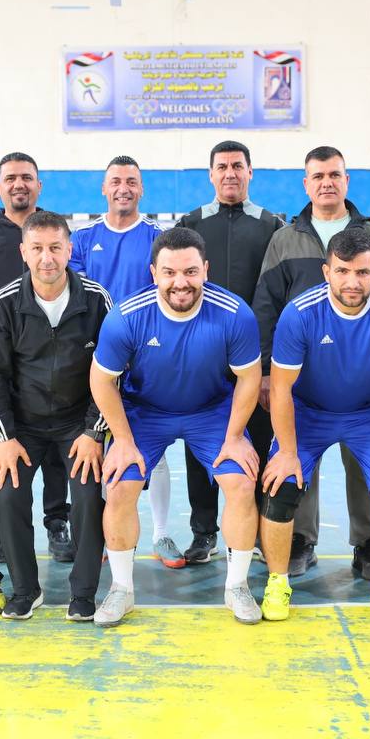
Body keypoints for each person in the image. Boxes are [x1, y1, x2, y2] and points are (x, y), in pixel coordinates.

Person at [89, 227, 263, 627]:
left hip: (211, 412)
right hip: (146, 413)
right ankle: (121, 589)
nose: (180, 282)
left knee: (241, 483)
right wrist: (123, 441)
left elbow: (249, 377)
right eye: (169, 272)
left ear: (205, 270)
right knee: (119, 487)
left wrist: (235, 436)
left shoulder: (234, 313)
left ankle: (237, 587)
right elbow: (101, 380)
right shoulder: (127, 317)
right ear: (154, 273)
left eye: (190, 271)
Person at [253, 145, 370, 580]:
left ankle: (367, 542)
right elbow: (266, 304)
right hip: (304, 378)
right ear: (306, 184)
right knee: (297, 460)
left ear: (346, 181)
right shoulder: (285, 238)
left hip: (366, 379)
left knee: (368, 465)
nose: (327, 182)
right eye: (318, 176)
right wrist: (265, 371)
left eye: (335, 175)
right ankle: (301, 538)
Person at [260, 229, 370, 622]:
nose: (353, 282)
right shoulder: (299, 313)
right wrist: (286, 452)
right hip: (309, 412)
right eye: (343, 271)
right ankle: (277, 583)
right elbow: (280, 389)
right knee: (280, 485)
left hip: (369, 415)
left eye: (362, 272)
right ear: (326, 272)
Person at [0, 211, 111, 620]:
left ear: (69, 250)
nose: (46, 258)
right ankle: (25, 590)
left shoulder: (96, 300)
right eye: (37, 248)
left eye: (55, 247)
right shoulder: (3, 304)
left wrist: (94, 431)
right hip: (23, 427)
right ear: (23, 252)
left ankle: (84, 593)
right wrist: (4, 438)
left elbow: (112, 372)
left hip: (78, 425)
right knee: (9, 496)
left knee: (88, 498)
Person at [177, 139, 285, 565]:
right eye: (221, 167)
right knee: (199, 445)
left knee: (254, 441)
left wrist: (267, 364)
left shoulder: (271, 225)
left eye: (237, 166)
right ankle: (203, 532)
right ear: (211, 174)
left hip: (252, 359)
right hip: (201, 358)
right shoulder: (192, 223)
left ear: (250, 172)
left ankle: (252, 533)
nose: (230, 174)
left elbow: (275, 298)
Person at [69, 156, 180, 568]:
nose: (123, 188)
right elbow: (79, 298)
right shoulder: (83, 239)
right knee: (101, 446)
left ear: (141, 188)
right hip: (98, 362)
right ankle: (104, 535)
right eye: (115, 181)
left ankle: (161, 534)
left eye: (131, 181)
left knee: (156, 449)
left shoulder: (158, 238)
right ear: (104, 188)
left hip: (148, 358)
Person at [0, 152, 72, 560]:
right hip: (3, 361)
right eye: (10, 178)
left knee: (57, 455)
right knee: (7, 448)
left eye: (26, 177)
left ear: (39, 185)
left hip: (53, 358)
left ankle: (57, 521)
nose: (19, 184)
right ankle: (5, 534)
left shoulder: (55, 229)